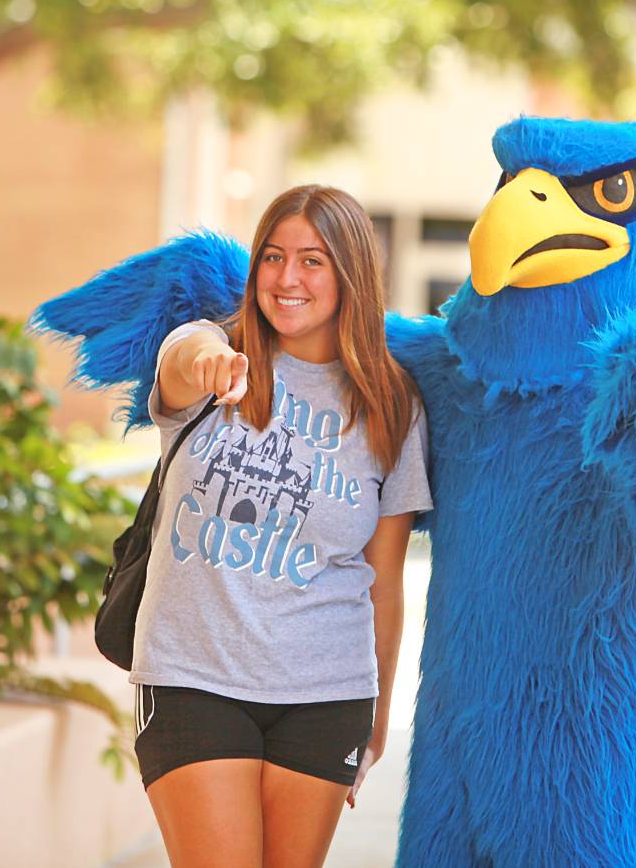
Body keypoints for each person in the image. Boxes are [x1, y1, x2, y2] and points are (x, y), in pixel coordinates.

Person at [131, 185, 432, 868]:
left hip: (327, 693)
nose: (286, 277)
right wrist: (208, 361)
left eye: (312, 260)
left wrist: (377, 717)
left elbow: (384, 580)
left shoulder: (391, 404)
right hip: (193, 677)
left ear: (351, 272)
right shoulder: (212, 356)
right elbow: (185, 355)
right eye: (272, 256)